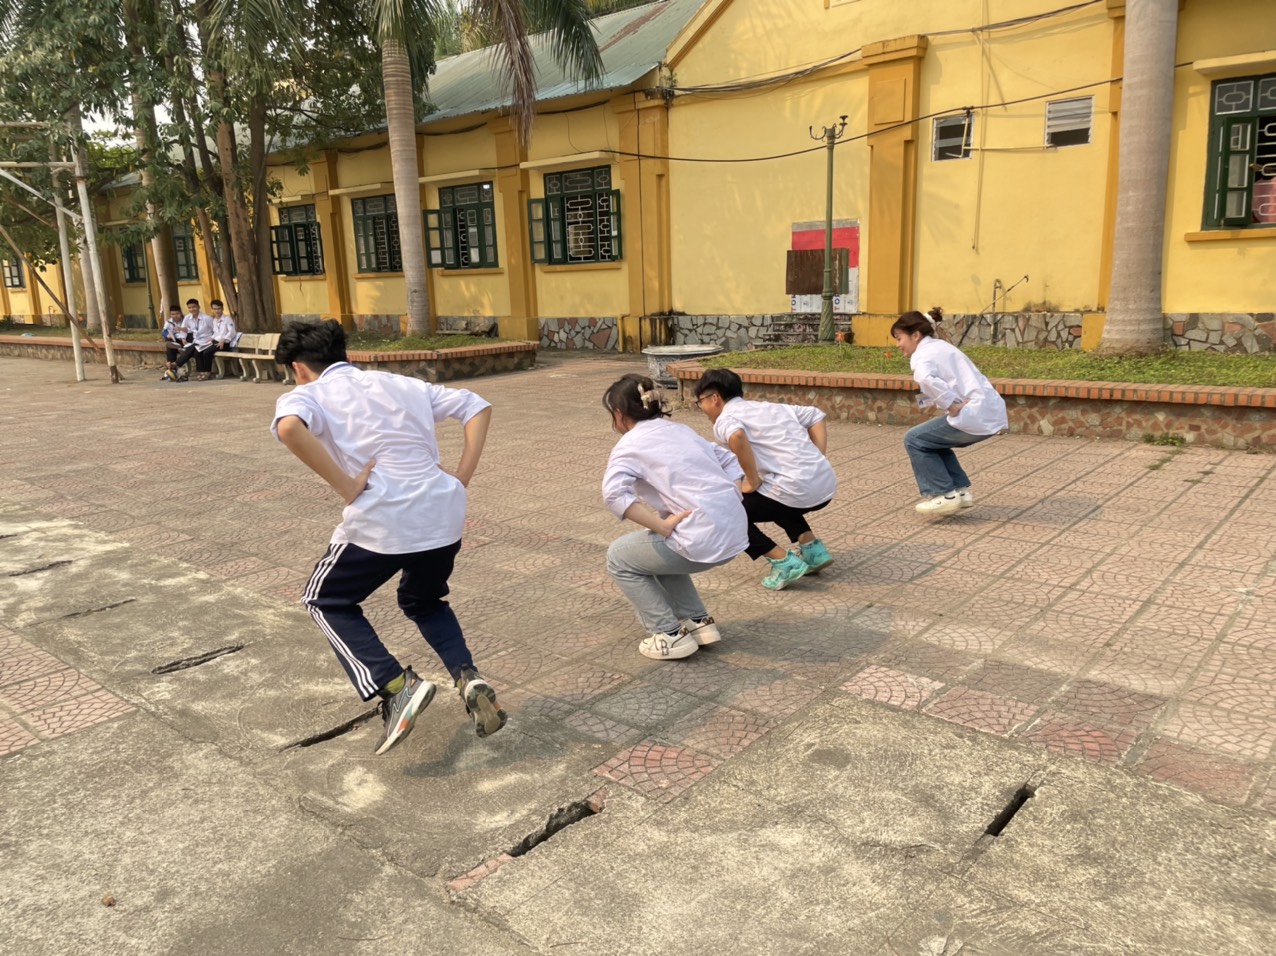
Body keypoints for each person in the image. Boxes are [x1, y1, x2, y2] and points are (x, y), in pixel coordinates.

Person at [270, 319, 504, 754]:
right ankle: (468, 677)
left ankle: (396, 686)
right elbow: (476, 405)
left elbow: (288, 428)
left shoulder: (309, 393)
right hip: (443, 511)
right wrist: (462, 476)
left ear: (298, 367)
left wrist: (346, 486)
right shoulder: (401, 383)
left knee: (325, 599)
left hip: (384, 518)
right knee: (423, 600)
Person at [602, 373, 749, 661]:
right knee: (652, 549)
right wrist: (731, 496)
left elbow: (613, 495)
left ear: (619, 414)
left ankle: (668, 634)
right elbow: (729, 459)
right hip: (735, 530)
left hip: (703, 539)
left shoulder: (630, 444)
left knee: (619, 558)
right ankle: (698, 622)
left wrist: (662, 526)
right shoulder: (681, 430)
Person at [692, 367, 836, 590]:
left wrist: (752, 480)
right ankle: (813, 550)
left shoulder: (725, 419)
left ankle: (784, 562)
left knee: (726, 512)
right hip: (825, 485)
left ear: (715, 398)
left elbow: (736, 435)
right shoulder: (771, 407)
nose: (701, 408)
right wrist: (818, 457)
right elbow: (815, 415)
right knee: (774, 493)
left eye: (700, 401)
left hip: (796, 490)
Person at [891, 307, 1007, 516]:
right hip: (990, 411)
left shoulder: (922, 355)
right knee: (932, 441)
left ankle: (944, 494)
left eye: (899, 338)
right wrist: (949, 402)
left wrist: (952, 405)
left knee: (914, 439)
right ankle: (960, 492)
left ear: (915, 335)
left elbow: (925, 378)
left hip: (974, 414)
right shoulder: (940, 346)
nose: (898, 345)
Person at [173, 298, 216, 381]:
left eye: (194, 307)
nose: (192, 309)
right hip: (197, 341)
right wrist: (183, 338)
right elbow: (185, 328)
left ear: (198, 307)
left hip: (207, 341)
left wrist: (212, 338)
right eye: (189, 308)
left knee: (194, 347)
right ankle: (201, 372)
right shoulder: (187, 318)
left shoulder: (206, 318)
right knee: (196, 351)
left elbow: (215, 330)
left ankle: (177, 363)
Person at [209, 299, 240, 378]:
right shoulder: (215, 320)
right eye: (214, 309)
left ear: (222, 309)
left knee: (207, 351)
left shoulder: (227, 319)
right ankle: (203, 372)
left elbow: (232, 332)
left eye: (218, 309)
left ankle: (207, 372)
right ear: (212, 310)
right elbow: (216, 333)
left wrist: (224, 340)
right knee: (201, 350)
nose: (217, 311)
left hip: (225, 344)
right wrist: (211, 338)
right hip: (217, 342)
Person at [160, 305, 187, 381]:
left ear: (181, 313)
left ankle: (172, 367)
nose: (175, 316)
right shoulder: (169, 322)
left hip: (185, 340)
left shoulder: (186, 320)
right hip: (175, 340)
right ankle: (172, 369)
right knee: (170, 347)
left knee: (172, 346)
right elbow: (164, 331)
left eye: (177, 313)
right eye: (173, 314)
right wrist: (167, 335)